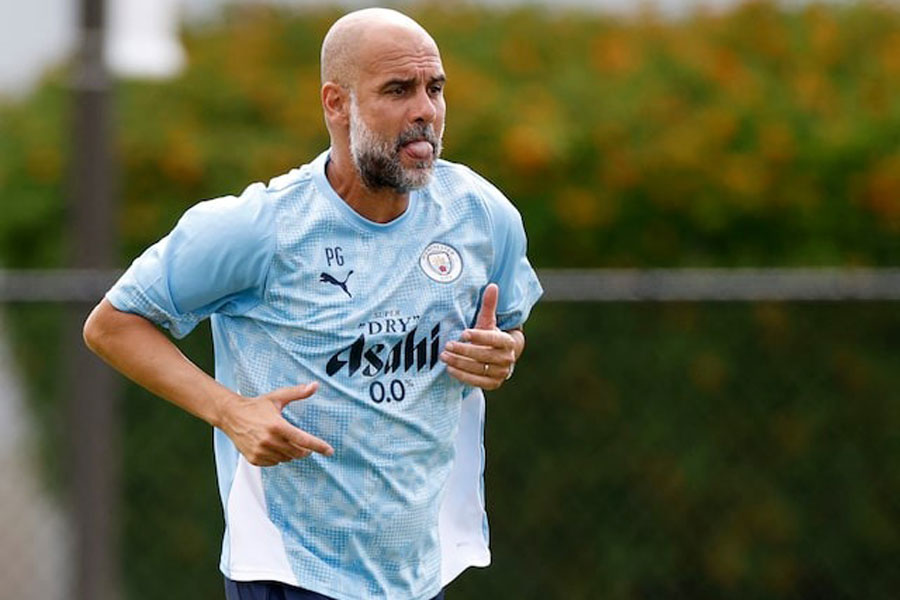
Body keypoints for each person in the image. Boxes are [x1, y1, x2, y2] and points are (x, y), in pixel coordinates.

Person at [83, 7, 542, 600]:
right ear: (337, 103)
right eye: (398, 90)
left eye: (434, 89)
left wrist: (503, 354)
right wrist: (230, 411)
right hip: (291, 574)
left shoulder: (482, 216)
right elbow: (112, 325)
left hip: (421, 574)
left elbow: (507, 332)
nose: (425, 110)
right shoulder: (259, 228)